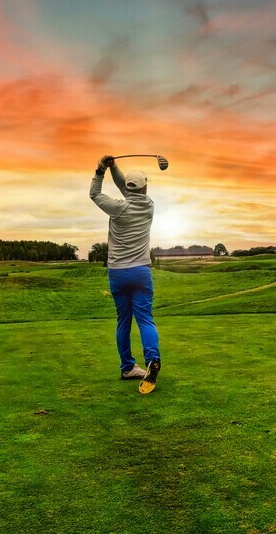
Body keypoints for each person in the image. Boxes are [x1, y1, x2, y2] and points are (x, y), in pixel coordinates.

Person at [90, 155, 161, 394]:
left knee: (123, 321)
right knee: (145, 319)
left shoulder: (118, 208)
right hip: (141, 272)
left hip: (118, 273)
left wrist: (101, 170)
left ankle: (128, 367)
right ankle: (153, 359)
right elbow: (128, 190)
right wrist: (115, 167)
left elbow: (95, 195)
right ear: (145, 187)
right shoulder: (149, 205)